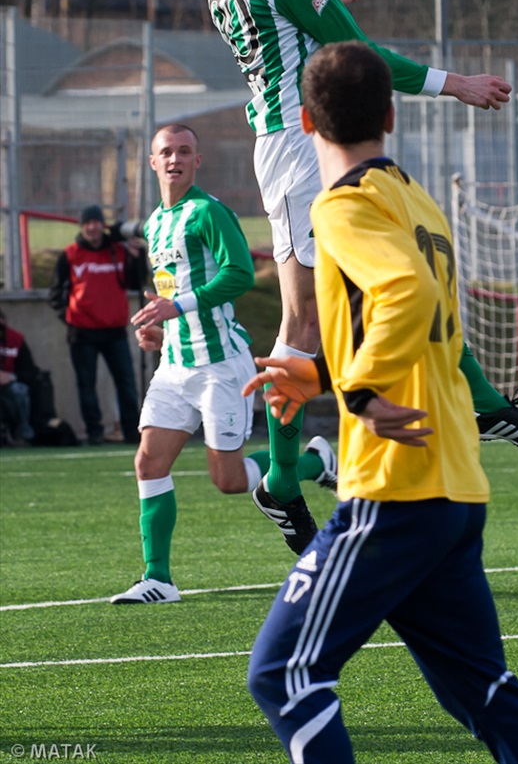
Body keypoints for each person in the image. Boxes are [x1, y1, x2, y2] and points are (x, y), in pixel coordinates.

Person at [207, 0, 518, 552]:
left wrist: (326, 0)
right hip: (312, 148)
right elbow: (354, 60)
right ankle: (478, 405)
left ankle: (281, 477)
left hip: (278, 144)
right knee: (402, 269)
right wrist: (454, 83)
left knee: (305, 321)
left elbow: (284, 42)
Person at [242, 42, 518, 764]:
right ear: (391, 115)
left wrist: (357, 390)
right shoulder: (418, 201)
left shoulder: (345, 206)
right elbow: (418, 323)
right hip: (452, 479)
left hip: (395, 486)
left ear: (302, 120)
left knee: (283, 675)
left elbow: (404, 296)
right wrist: (326, 376)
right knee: (485, 691)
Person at [110, 123, 337, 604]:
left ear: (197, 161)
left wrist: (179, 308)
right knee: (148, 463)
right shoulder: (154, 223)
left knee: (228, 480)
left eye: (184, 151)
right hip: (173, 366)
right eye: (166, 152)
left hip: (220, 366)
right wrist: (163, 329)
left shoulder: (208, 212)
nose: (174, 159)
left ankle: (318, 460)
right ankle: (159, 578)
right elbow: (175, 292)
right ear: (152, 162)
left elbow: (239, 274)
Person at [48, 205, 148, 445]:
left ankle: (130, 432)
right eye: (87, 223)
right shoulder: (70, 254)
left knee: (126, 383)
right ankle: (94, 433)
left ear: (102, 225)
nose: (92, 227)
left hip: (114, 331)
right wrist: (69, 316)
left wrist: (138, 259)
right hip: (81, 333)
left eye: (96, 223)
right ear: (81, 227)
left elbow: (136, 283)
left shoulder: (118, 251)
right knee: (86, 385)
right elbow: (55, 293)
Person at [0, 309, 37, 445]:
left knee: (20, 390)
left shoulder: (15, 339)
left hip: (10, 385)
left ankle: (23, 435)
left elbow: (29, 371)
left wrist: (11, 376)